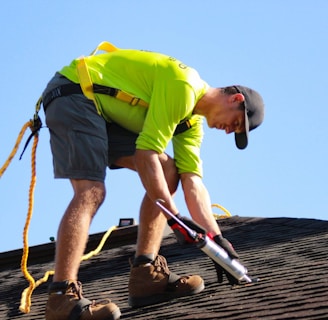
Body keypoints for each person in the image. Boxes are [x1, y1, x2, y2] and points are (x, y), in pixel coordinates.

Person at [41, 42, 264, 320]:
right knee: (91, 191)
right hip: (76, 93)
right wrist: (174, 217)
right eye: (237, 124)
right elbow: (146, 155)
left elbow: (192, 183)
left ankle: (146, 276)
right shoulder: (183, 85)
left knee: (169, 171)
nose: (230, 131)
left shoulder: (190, 124)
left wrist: (217, 239)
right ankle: (61, 297)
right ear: (236, 100)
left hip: (105, 112)